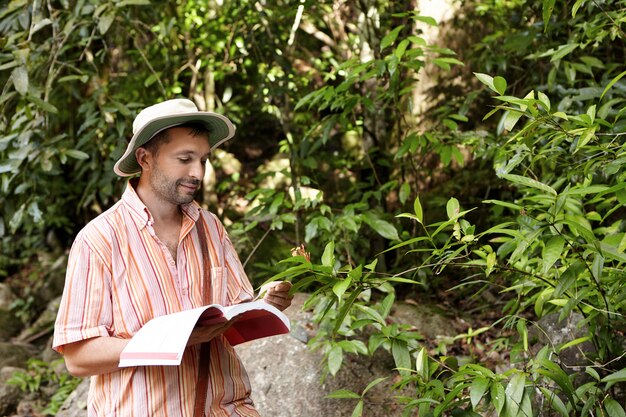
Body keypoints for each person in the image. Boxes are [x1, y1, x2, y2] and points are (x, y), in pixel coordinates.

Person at [53, 98, 293, 417]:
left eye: (204, 160)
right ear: (145, 158)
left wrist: (264, 302)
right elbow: (77, 357)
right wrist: (163, 343)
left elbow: (232, 315)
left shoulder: (211, 227)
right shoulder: (99, 239)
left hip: (227, 409)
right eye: (184, 159)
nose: (197, 172)